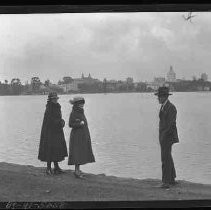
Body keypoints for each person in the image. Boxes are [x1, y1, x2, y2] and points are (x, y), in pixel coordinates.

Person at [154, 86, 179, 189]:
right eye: (158, 96)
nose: (158, 98)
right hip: (164, 136)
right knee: (167, 157)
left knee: (165, 158)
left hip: (168, 137)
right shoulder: (164, 106)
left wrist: (163, 136)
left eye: (159, 96)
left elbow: (170, 124)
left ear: (165, 97)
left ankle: (166, 182)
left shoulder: (171, 107)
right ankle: (171, 179)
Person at [38, 92, 68, 175]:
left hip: (57, 131)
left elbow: (58, 117)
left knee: (57, 148)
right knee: (50, 149)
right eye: (53, 99)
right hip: (49, 132)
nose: (55, 100)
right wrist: (59, 122)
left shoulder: (57, 106)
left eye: (56, 98)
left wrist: (62, 121)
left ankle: (56, 167)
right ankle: (48, 168)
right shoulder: (49, 107)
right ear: (50, 99)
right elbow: (49, 120)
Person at [68, 96, 95, 178]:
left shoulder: (80, 111)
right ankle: (76, 171)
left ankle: (78, 170)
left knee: (80, 152)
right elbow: (70, 124)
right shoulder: (74, 113)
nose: (82, 105)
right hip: (77, 136)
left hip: (82, 135)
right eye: (80, 103)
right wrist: (79, 124)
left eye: (82, 103)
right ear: (76, 104)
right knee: (77, 153)